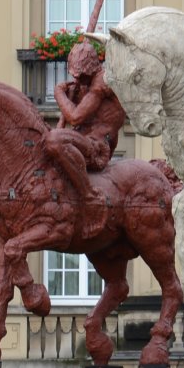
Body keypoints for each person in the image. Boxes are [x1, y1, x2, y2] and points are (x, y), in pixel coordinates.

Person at [44, 38, 128, 233]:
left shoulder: (102, 82)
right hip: (83, 141)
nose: (77, 80)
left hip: (97, 147)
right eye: (75, 76)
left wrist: (59, 94)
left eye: (80, 76)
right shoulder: (86, 84)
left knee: (54, 140)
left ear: (90, 69)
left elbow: (75, 116)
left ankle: (89, 196)